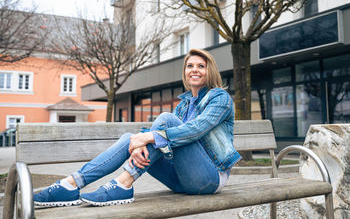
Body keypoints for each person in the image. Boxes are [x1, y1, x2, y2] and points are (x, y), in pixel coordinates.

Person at [34, 48, 242, 207]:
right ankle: (71, 184)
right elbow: (166, 143)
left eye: (201, 66)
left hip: (210, 178)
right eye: (190, 66)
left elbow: (196, 130)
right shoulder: (184, 105)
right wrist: (138, 143)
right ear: (185, 72)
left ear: (210, 70)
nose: (194, 70)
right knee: (129, 138)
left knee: (164, 121)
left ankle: (124, 183)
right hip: (181, 180)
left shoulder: (219, 98)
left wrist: (148, 137)